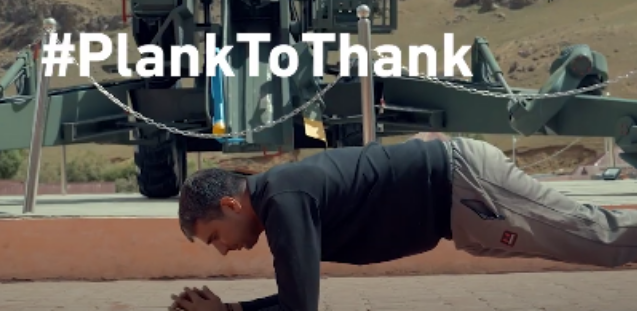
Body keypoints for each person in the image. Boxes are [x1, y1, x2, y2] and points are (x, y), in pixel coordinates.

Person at [169, 133, 637, 311]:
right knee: (588, 238)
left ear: (231, 205)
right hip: (461, 208)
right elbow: (297, 296)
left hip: (466, 188)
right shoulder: (280, 197)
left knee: (595, 238)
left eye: (215, 237)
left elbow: (300, 308)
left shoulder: (284, 201)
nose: (223, 250)